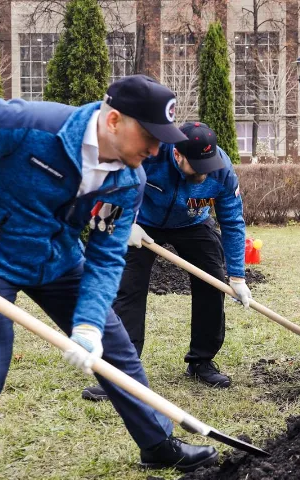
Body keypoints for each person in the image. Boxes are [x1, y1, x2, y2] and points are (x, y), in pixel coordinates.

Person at [0, 75, 218, 480]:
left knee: (115, 347)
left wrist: (87, 326)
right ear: (114, 119)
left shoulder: (129, 180)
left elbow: (106, 256)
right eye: (149, 137)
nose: (155, 150)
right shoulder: (28, 125)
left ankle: (157, 443)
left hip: (58, 262)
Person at [81, 122, 249, 401]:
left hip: (193, 223)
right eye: (197, 165)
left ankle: (201, 361)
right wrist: (123, 226)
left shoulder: (220, 169)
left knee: (212, 283)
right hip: (142, 224)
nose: (204, 171)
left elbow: (232, 221)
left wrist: (238, 277)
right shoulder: (150, 153)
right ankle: (121, 373)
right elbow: (106, 187)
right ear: (178, 155)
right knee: (128, 290)